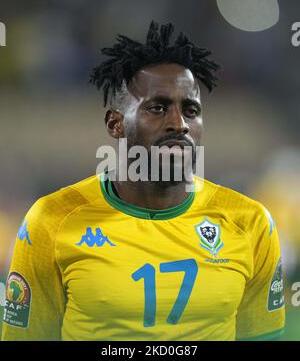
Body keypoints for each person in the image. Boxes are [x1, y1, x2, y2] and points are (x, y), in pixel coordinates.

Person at [1, 21, 285, 341]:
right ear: (115, 123)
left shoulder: (250, 223)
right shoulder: (51, 221)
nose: (178, 123)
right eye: (158, 107)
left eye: (190, 110)